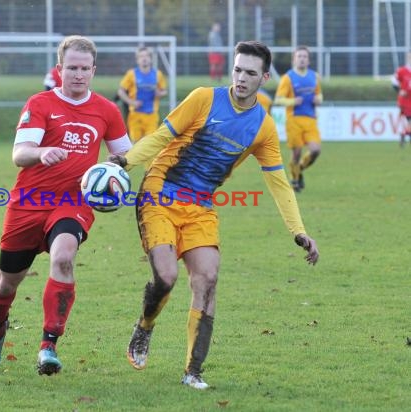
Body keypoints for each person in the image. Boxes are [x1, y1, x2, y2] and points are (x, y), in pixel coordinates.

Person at [108, 40, 319, 390]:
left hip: (200, 205)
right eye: (238, 69)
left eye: (250, 73)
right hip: (159, 192)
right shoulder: (204, 98)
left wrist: (298, 230)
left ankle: (193, 370)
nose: (241, 78)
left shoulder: (262, 127)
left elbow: (279, 183)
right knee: (166, 277)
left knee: (207, 278)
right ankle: (144, 327)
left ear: (264, 78)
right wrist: (126, 160)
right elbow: (162, 136)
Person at [0, 35, 132, 376]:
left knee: (64, 257)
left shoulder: (107, 110)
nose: (78, 75)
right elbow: (19, 154)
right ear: (60, 69)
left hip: (73, 202)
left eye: (84, 69)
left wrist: (115, 168)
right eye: (71, 68)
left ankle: (48, 345)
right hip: (29, 202)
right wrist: (41, 153)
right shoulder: (40, 103)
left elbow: (124, 155)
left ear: (94, 70)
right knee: (6, 282)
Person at [274, 45, 323, 193]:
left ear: (308, 61)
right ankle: (295, 180)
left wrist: (318, 99)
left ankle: (299, 168)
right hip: (293, 120)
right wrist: (292, 102)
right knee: (296, 152)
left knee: (315, 150)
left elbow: (319, 94)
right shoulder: (287, 78)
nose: (302, 59)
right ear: (294, 60)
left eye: (305, 57)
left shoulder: (314, 77)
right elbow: (278, 99)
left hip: (310, 120)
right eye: (299, 56)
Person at [117, 47, 167, 143]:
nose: (144, 59)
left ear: (151, 58)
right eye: (141, 56)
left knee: (150, 144)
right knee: (135, 144)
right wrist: (131, 102)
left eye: (147, 56)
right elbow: (121, 91)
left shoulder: (157, 74)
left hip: (151, 115)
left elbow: (164, 91)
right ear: (137, 60)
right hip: (135, 115)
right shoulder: (131, 74)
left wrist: (159, 94)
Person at [392, 51, 411, 147]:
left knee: (409, 122)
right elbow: (394, 83)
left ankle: (404, 134)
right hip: (405, 101)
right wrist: (400, 91)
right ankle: (404, 134)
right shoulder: (401, 71)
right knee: (408, 120)